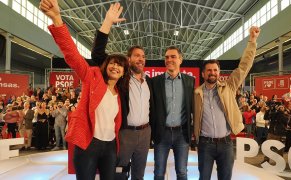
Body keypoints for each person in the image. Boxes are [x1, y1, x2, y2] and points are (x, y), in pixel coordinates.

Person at [39, 1, 129, 180]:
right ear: (106, 66)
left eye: (120, 66)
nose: (115, 67)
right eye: (112, 63)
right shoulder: (93, 77)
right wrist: (57, 18)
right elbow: (72, 55)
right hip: (88, 143)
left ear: (124, 73)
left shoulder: (119, 93)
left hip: (110, 146)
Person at [193, 26, 260, 180]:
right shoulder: (196, 93)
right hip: (205, 144)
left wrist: (252, 41)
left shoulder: (229, 87)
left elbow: (244, 67)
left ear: (219, 72)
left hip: (226, 143)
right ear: (203, 74)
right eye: (209, 70)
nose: (212, 73)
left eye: (215, 70)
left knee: (225, 178)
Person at [91, 17, 152, 180]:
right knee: (119, 172)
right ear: (129, 58)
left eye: (143, 56)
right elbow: (97, 54)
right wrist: (107, 24)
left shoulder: (148, 82)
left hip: (145, 133)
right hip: (125, 133)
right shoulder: (122, 78)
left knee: (139, 173)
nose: (141, 59)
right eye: (137, 56)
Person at [151, 46, 195, 180]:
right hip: (161, 133)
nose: (169, 59)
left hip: (181, 134)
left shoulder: (189, 81)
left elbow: (192, 107)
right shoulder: (155, 82)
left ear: (180, 60)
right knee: (158, 172)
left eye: (173, 56)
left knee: (182, 172)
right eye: (167, 57)